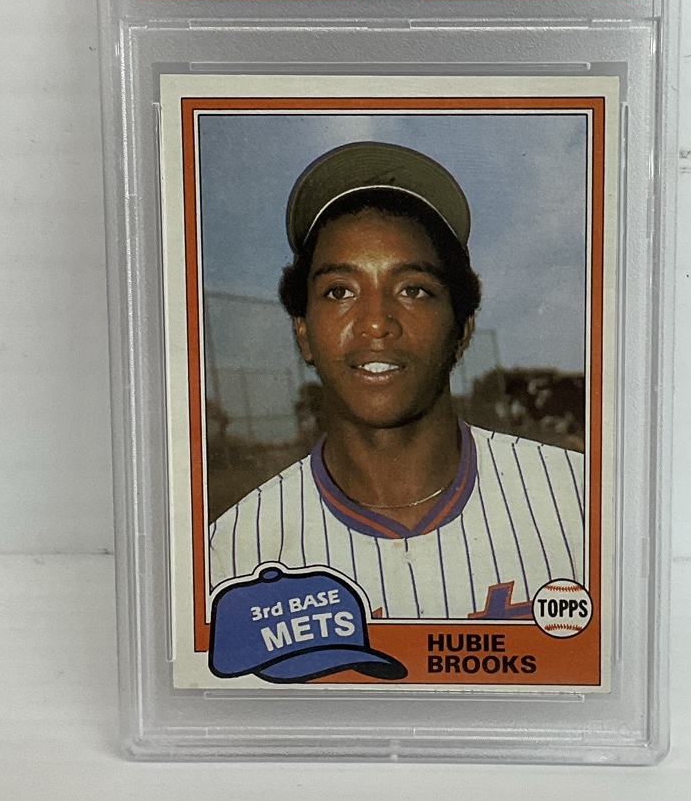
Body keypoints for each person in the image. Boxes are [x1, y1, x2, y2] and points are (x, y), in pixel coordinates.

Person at [206, 141, 585, 621]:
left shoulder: (580, 501)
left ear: (461, 330)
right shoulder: (232, 555)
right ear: (303, 333)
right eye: (339, 291)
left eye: (414, 290)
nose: (376, 323)